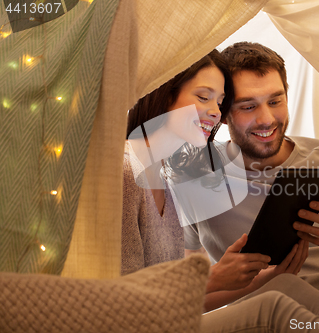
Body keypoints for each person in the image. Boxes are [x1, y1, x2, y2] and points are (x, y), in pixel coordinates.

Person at [184, 42, 319, 309]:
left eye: (275, 101)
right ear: (223, 114)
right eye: (248, 106)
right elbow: (179, 301)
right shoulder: (194, 175)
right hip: (264, 322)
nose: (266, 119)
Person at [121, 49, 307, 305]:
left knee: (282, 298)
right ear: (165, 94)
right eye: (203, 97)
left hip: (169, 320)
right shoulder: (126, 172)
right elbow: (119, 297)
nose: (216, 112)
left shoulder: (164, 179)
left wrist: (270, 278)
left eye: (219, 103)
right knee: (276, 310)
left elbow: (179, 300)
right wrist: (212, 277)